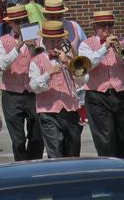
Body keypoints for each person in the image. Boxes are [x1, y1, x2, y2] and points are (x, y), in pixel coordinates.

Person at [79, 11, 124, 158]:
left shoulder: (123, 42)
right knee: (106, 141)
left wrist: (123, 55)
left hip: (119, 94)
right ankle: (111, 172)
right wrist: (104, 47)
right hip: (97, 96)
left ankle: (115, 164)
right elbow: (88, 64)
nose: (107, 28)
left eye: (110, 25)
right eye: (102, 25)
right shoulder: (86, 45)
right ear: (95, 27)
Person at [29, 20, 86, 158]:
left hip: (70, 110)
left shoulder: (69, 59)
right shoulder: (36, 61)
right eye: (52, 41)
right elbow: (34, 87)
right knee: (55, 153)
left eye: (58, 40)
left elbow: (84, 80)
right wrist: (48, 73)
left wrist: (68, 62)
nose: (55, 45)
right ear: (45, 41)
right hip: (49, 113)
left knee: (73, 153)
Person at [0, 5, 45, 161]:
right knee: (18, 140)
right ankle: (21, 169)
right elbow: (2, 65)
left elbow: (43, 61)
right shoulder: (1, 41)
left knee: (37, 137)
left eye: (24, 21)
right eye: (17, 22)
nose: (21, 24)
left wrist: (33, 47)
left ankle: (33, 165)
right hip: (11, 94)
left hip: (32, 92)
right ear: (10, 23)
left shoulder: (38, 39)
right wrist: (18, 47)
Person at [41, 0, 88, 124]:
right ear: (46, 16)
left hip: (74, 84)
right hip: (51, 87)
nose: (56, 19)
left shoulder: (74, 27)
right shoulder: (42, 30)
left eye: (59, 16)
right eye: (52, 17)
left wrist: (71, 53)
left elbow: (84, 51)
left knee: (74, 131)